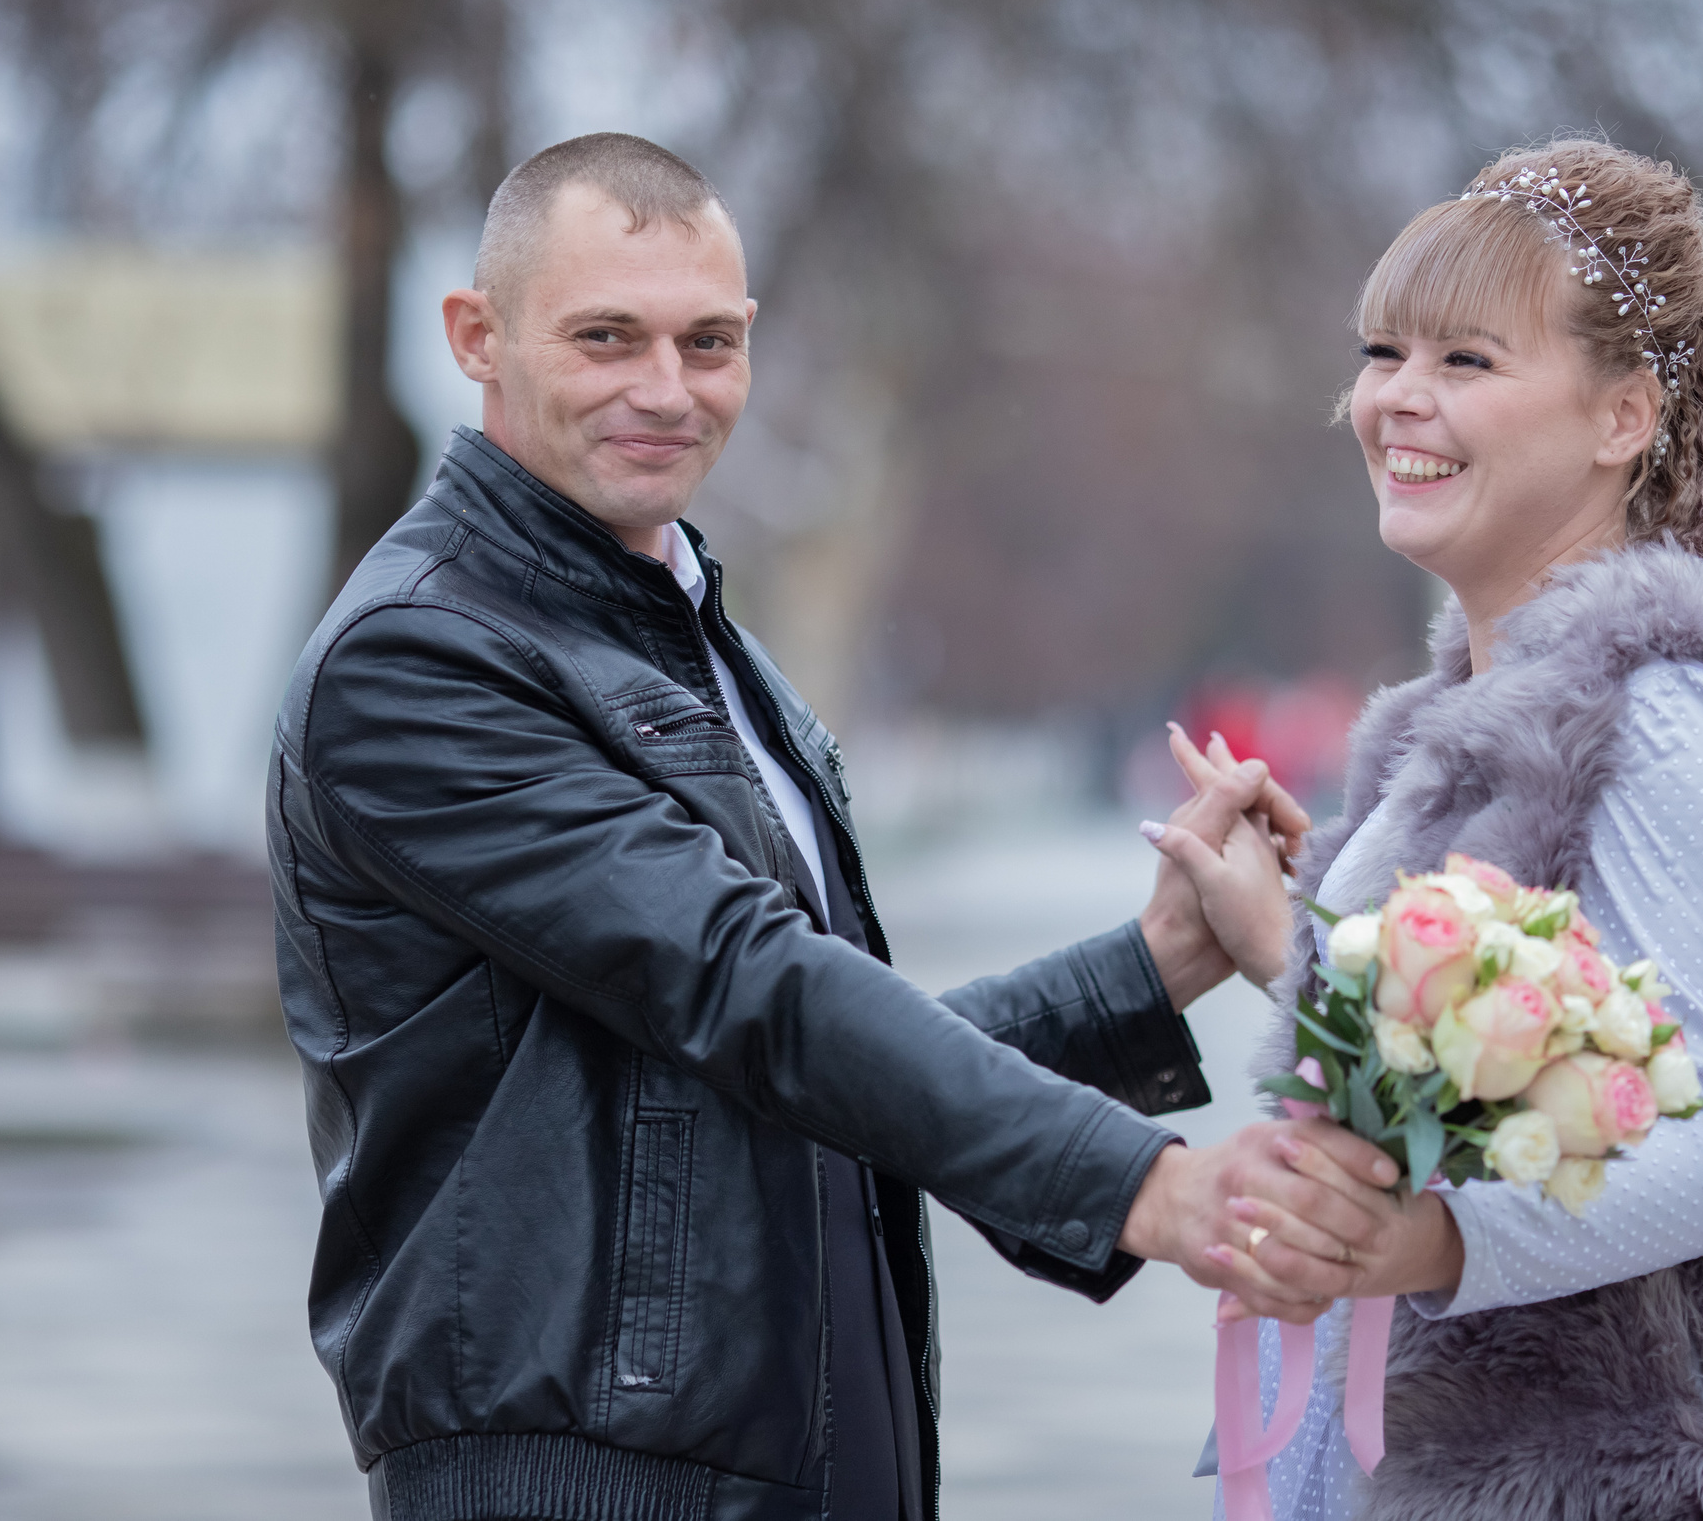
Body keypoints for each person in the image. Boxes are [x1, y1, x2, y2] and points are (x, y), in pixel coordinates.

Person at [266, 131, 1403, 1521]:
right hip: (591, 1487)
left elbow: (799, 1081)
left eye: (709, 343)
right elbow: (748, 983)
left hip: (797, 1456)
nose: (666, 391)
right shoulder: (418, 659)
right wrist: (1144, 1186)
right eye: (607, 338)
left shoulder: (681, 633)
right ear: (476, 336)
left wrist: (1145, 969)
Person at [1147, 138, 1703, 1520]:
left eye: (1467, 361)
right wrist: (1277, 934)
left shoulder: (1668, 720)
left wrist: (1417, 1241)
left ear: (1623, 416)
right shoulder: (1479, 709)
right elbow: (1491, 1064)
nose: (1397, 400)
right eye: (1383, 351)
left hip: (1621, 1475)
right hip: (1441, 1438)